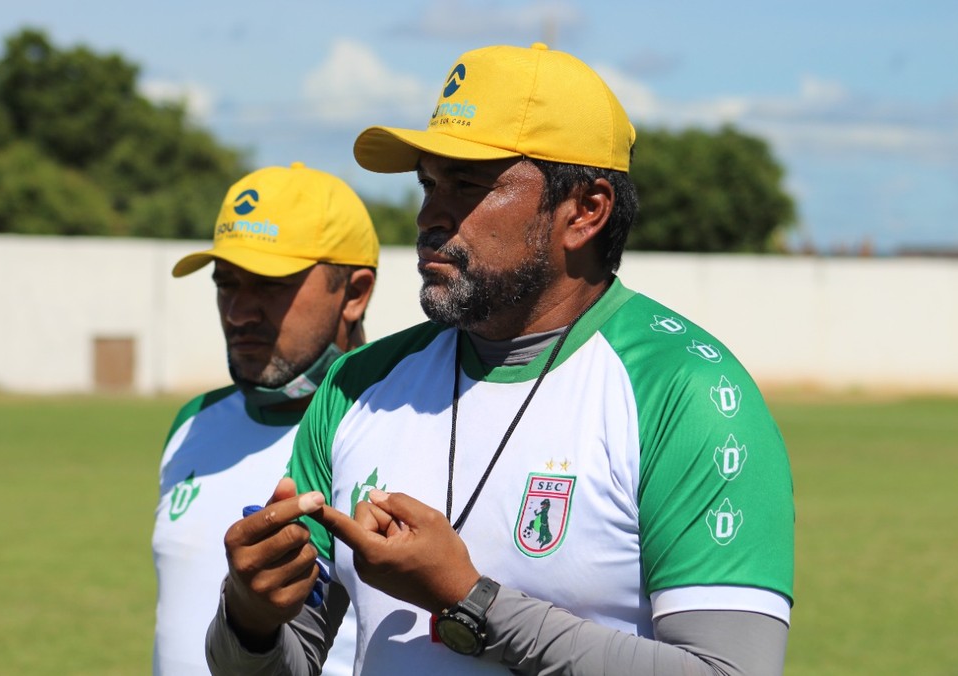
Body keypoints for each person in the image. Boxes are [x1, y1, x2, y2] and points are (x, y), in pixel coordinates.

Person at [206, 43, 795, 675]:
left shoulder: (685, 390)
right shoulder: (359, 385)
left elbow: (731, 670)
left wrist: (470, 601)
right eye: (428, 183)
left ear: (586, 211)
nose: (431, 215)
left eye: (468, 185)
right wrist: (249, 619)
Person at [152, 161, 379, 675]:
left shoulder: (397, 428)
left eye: (270, 285)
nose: (239, 312)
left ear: (355, 293)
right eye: (227, 284)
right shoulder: (194, 421)